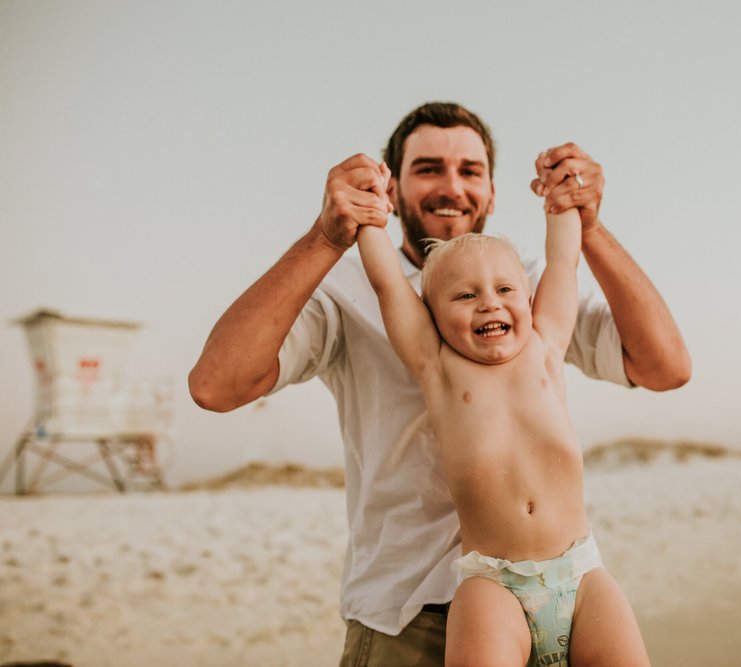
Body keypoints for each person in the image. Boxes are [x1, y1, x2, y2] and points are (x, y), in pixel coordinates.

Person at [188, 101, 690, 666]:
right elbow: (215, 385)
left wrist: (579, 212)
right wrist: (332, 235)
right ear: (393, 189)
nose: (451, 186)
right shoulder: (362, 298)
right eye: (427, 168)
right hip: (407, 615)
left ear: (494, 193)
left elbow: (665, 365)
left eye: (470, 170)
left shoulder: (522, 294)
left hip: (575, 575)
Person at [356, 156, 651, 665]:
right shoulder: (439, 369)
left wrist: (562, 202)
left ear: (528, 298)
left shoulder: (547, 346)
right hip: (493, 585)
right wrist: (367, 216)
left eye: (505, 290)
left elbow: (563, 263)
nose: (489, 303)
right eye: (465, 295)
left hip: (581, 576)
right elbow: (388, 285)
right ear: (431, 316)